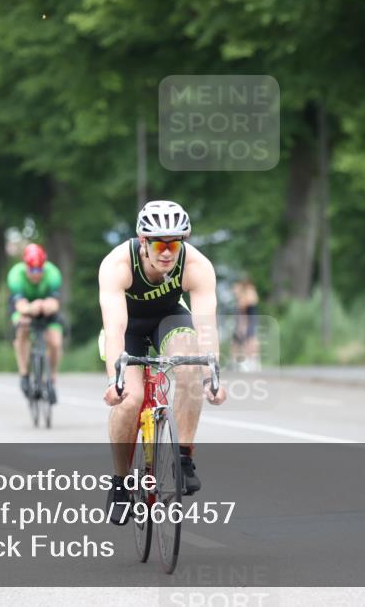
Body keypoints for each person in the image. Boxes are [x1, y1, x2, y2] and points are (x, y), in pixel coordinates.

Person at [99, 200, 226, 525]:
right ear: (143, 241)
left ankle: (183, 458)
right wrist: (115, 381)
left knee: (190, 366)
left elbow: (206, 328)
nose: (167, 252)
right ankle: (120, 482)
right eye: (159, 244)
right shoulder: (117, 265)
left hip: (168, 319)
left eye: (174, 243)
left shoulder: (196, 265)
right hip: (128, 327)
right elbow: (115, 329)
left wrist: (213, 376)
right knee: (131, 399)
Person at [7, 243, 64, 404]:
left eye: (39, 269)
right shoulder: (16, 275)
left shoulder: (53, 274)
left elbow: (55, 303)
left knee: (55, 342)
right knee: (22, 327)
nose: (36, 274)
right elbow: (20, 306)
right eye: (32, 270)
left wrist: (45, 306)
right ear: (25, 266)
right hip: (25, 309)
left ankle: (51, 379)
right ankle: (24, 374)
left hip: (46, 309)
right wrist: (32, 308)